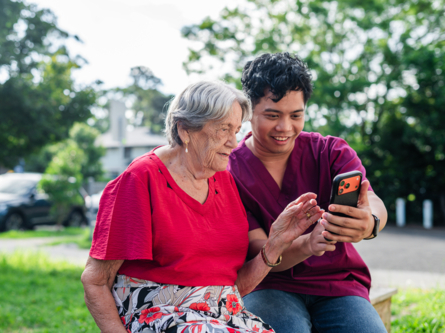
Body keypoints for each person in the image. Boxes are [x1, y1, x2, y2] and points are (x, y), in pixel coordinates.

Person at [81, 80, 324, 333]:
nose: (233, 142)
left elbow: (234, 288)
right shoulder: (141, 178)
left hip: (222, 315)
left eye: (236, 130)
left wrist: (275, 244)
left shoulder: (225, 180)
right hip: (160, 314)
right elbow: (96, 281)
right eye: (223, 129)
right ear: (185, 129)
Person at [227, 53, 388, 332]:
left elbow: (369, 199)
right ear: (248, 111)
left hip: (338, 283)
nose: (285, 128)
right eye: (272, 115)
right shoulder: (229, 171)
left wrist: (370, 223)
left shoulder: (331, 151)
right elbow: (259, 252)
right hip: (268, 284)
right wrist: (308, 245)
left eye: (296, 115)